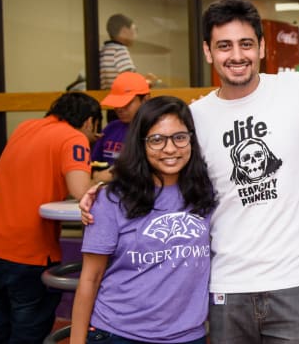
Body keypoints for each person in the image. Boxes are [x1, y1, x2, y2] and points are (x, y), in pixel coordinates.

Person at [82, 0, 299, 343]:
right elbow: (157, 162)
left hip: (297, 279)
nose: (237, 55)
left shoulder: (298, 91)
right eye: (224, 46)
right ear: (207, 52)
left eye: (246, 44)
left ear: (261, 47)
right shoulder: (195, 117)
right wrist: (103, 188)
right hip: (227, 284)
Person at [71, 96, 217, 344]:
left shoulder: (206, 193)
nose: (170, 149)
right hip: (118, 333)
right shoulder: (112, 199)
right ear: (141, 144)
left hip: (187, 336)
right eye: (157, 140)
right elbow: (90, 278)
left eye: (179, 137)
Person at [0, 92, 102, 343]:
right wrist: (108, 177)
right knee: (27, 332)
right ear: (90, 122)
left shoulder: (25, 127)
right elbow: (81, 191)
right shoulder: (74, 137)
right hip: (28, 251)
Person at [92, 71, 151, 171]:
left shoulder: (156, 131)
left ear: (145, 100)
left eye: (126, 103)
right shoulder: (111, 129)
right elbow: (94, 163)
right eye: (116, 104)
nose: (119, 109)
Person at [100, 14, 156, 90]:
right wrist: (149, 81)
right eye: (135, 30)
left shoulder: (103, 49)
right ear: (124, 31)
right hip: (119, 99)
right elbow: (130, 84)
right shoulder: (120, 50)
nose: (136, 35)